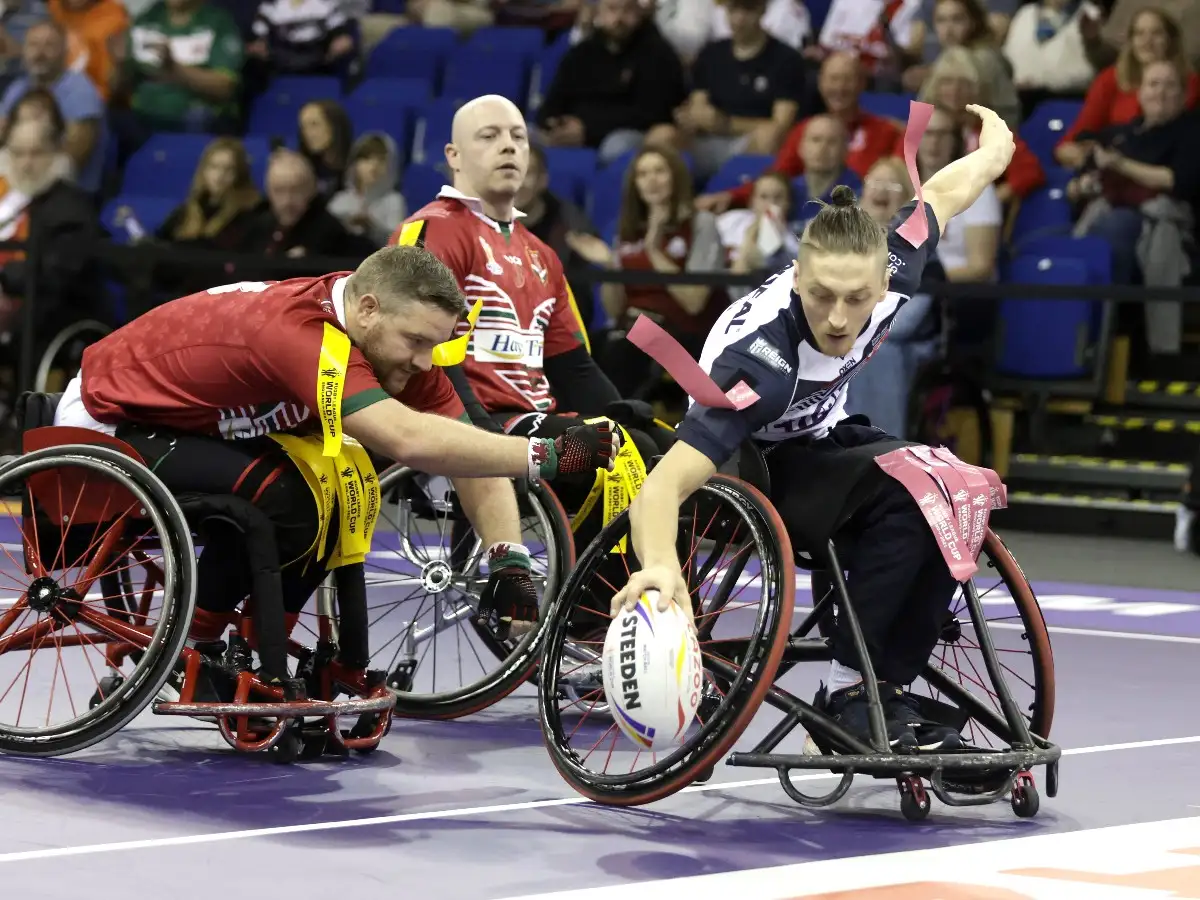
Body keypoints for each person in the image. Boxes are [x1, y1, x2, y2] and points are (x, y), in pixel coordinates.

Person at [611, 103, 1016, 752]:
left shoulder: (892, 269)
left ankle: (883, 684)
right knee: (909, 499)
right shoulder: (762, 365)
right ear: (797, 277)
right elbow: (661, 490)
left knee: (957, 486)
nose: (836, 316)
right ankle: (849, 692)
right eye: (820, 294)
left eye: (855, 299)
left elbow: (942, 194)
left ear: (880, 284)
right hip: (752, 459)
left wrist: (996, 153)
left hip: (821, 433)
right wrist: (660, 567)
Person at [52, 245, 619, 695]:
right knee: (281, 495)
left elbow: (468, 448)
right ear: (367, 308)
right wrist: (545, 456)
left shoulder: (389, 333)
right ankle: (190, 642)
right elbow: (407, 439)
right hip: (109, 414)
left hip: (199, 422)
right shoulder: (301, 333)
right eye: (417, 342)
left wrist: (508, 558)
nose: (425, 361)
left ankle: (246, 641)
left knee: (343, 490)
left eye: (436, 345)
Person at [390, 95, 671, 547]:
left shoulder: (543, 255)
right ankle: (588, 611)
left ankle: (620, 594)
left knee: (654, 449)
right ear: (454, 156)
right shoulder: (435, 229)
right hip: (468, 422)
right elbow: (421, 354)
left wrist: (621, 410)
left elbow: (572, 366)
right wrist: (478, 435)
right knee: (620, 451)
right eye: (489, 136)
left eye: (518, 137)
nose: (508, 147)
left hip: (531, 418)